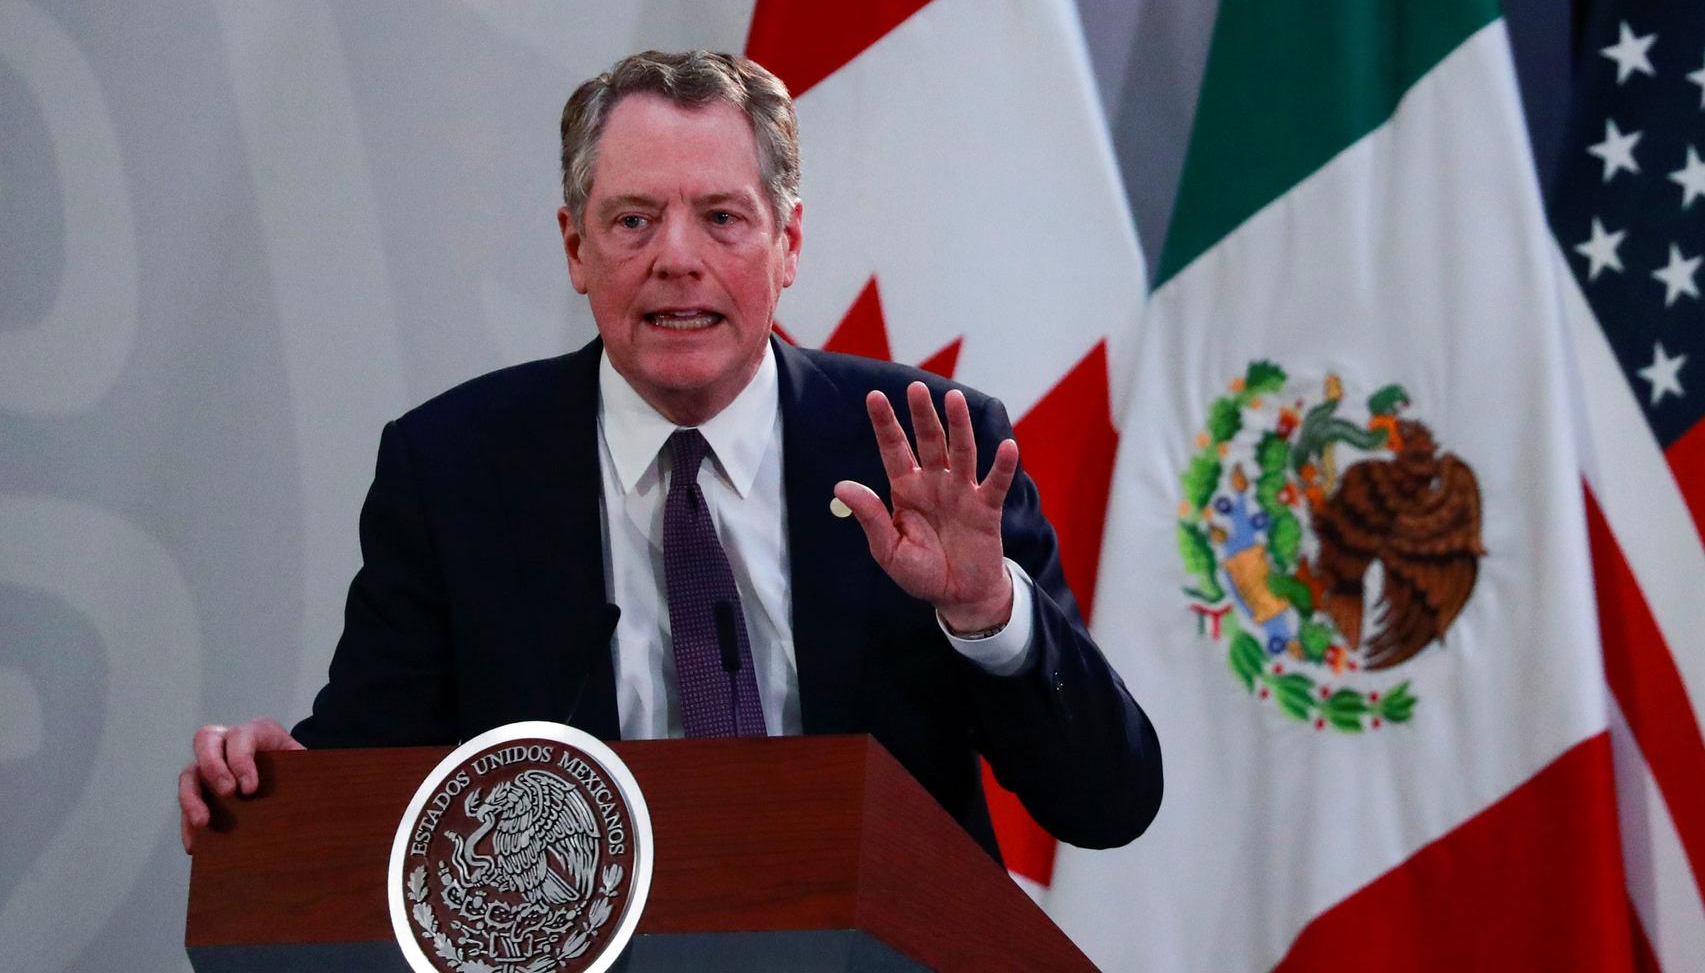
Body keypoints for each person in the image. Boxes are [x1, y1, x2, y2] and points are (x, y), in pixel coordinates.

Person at [179, 50, 1161, 861]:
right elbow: (371, 777)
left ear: (787, 246)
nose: (676, 258)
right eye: (634, 220)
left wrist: (986, 612)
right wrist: (281, 785)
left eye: (722, 218)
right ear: (576, 249)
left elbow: (1108, 804)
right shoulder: (454, 470)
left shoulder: (928, 445)